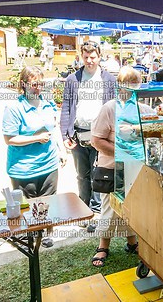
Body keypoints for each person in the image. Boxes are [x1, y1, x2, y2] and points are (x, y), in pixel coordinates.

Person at [90, 67, 163, 266]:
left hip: (138, 168)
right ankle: (103, 246)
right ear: (118, 86)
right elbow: (97, 140)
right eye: (126, 84)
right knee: (110, 208)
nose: (129, 89)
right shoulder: (109, 108)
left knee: (135, 207)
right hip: (112, 168)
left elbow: (159, 134)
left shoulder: (145, 110)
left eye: (134, 84)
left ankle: (131, 241)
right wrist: (123, 152)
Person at [2, 66, 66, 247]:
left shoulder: (48, 103)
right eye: (34, 84)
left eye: (41, 84)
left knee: (47, 201)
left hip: (49, 163)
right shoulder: (14, 108)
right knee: (28, 204)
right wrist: (36, 138)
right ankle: (29, 235)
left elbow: (55, 128)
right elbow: (9, 139)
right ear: (23, 84)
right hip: (24, 168)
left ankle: (45, 232)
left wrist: (61, 150)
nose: (38, 88)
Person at [60, 41, 116, 215]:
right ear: (81, 57)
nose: (89, 61)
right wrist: (64, 135)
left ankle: (97, 208)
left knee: (98, 172)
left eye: (93, 57)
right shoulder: (73, 79)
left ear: (99, 56)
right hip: (78, 134)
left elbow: (114, 107)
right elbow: (66, 107)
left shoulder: (109, 80)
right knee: (82, 175)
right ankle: (83, 208)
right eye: (86, 57)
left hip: (100, 136)